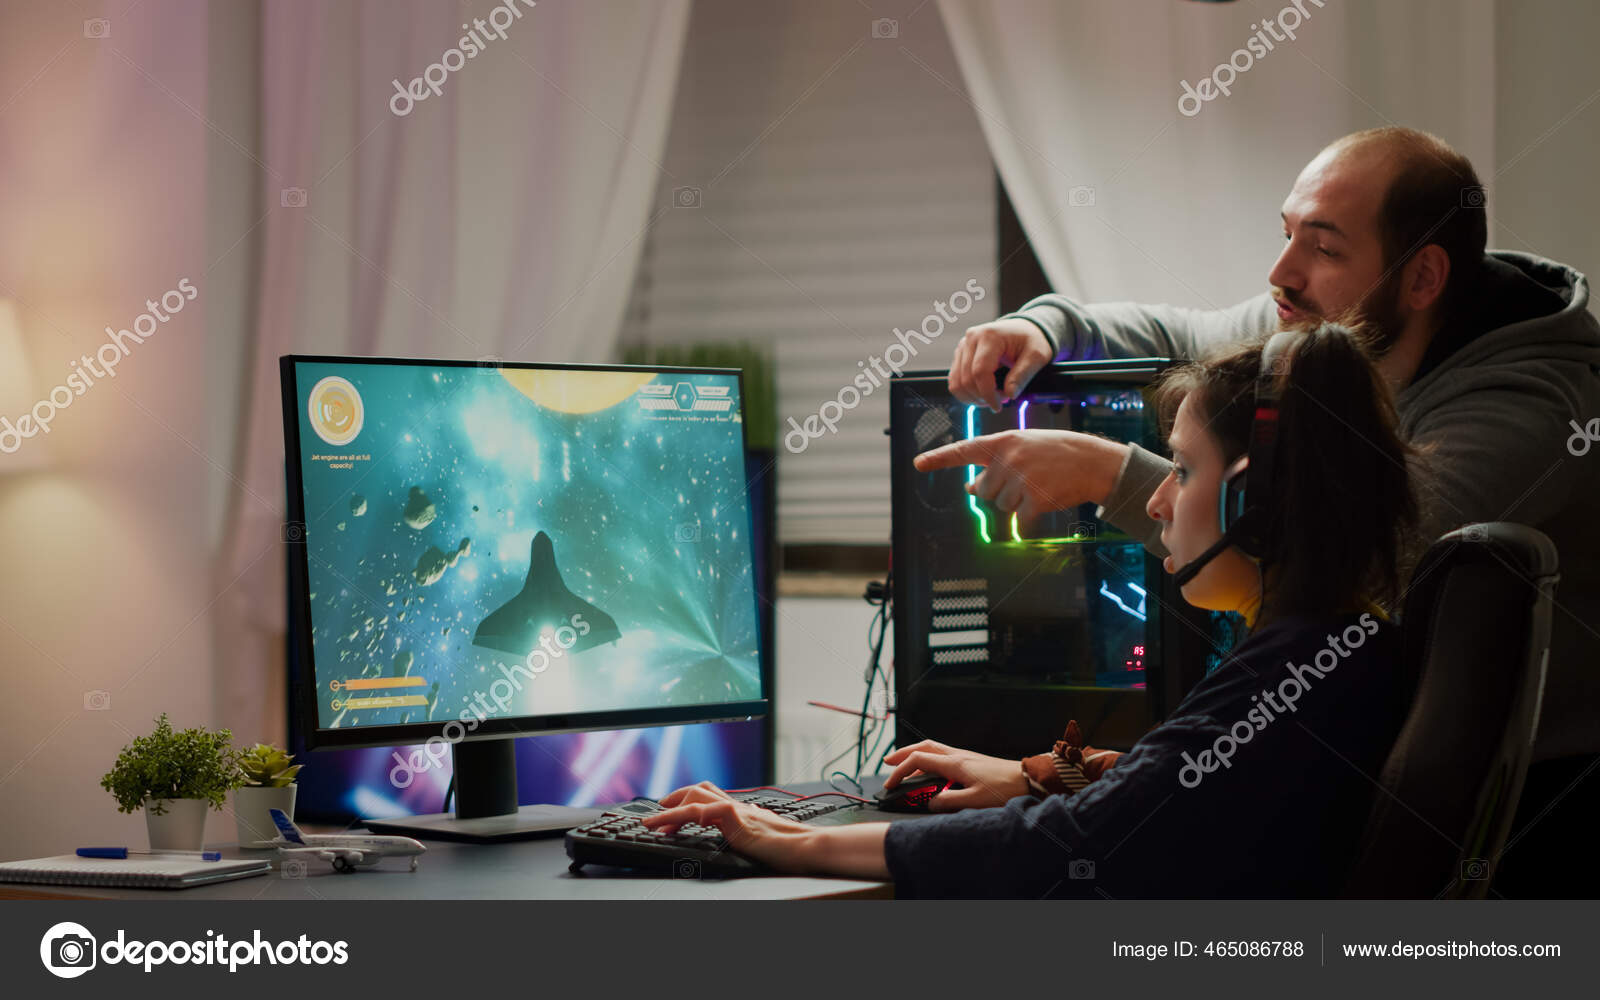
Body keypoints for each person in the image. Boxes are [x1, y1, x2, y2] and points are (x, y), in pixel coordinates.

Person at [920, 126, 1600, 895]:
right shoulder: (1332, 329)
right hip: (1360, 772)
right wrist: (1043, 326)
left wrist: (1108, 475)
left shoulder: (1530, 404)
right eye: (1286, 236)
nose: (1282, 274)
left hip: (1517, 822)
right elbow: (1178, 336)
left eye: (1325, 248)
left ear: (1423, 277)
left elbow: (1351, 553)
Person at [643, 324, 1419, 898]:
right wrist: (1034, 774)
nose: (1154, 500)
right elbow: (1185, 782)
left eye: (1181, 470)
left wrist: (794, 843)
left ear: (1256, 504)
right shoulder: (1342, 643)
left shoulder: (1292, 668)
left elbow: (1082, 842)